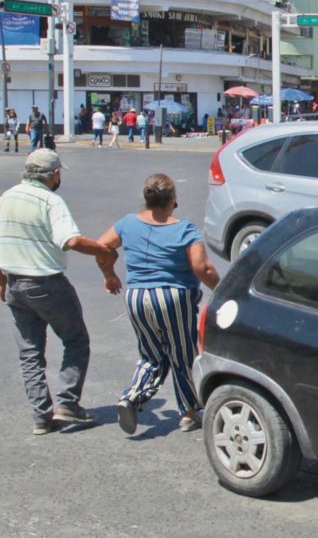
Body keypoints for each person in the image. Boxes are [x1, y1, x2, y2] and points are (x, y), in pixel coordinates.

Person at [0, 149, 117, 435]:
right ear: (53, 174)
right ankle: (67, 403)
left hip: (15, 283)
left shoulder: (7, 197)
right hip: (47, 283)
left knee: (30, 354)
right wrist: (103, 250)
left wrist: (2, 281)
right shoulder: (51, 201)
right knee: (76, 340)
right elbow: (71, 240)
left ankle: (41, 416)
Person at [95, 174, 220, 435]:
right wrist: (221, 291)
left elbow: (102, 246)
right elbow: (202, 267)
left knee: (151, 353)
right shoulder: (184, 228)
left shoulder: (128, 223)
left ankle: (131, 397)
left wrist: (109, 275)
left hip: (138, 296)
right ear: (173, 200)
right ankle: (188, 412)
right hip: (173, 296)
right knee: (181, 353)